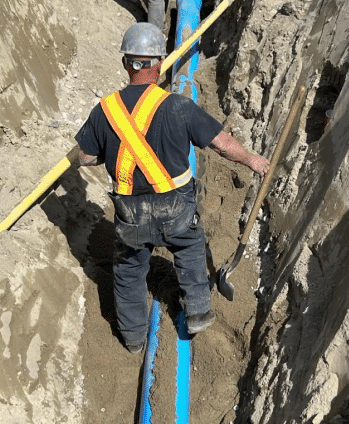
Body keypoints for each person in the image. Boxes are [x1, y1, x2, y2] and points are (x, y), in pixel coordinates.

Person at [75, 22, 271, 353]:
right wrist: (251, 160)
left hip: (131, 212)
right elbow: (222, 144)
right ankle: (197, 314)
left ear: (126, 63)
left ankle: (135, 339)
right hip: (175, 206)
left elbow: (85, 157)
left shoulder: (105, 111)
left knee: (128, 272)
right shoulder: (178, 106)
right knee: (191, 251)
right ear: (160, 63)